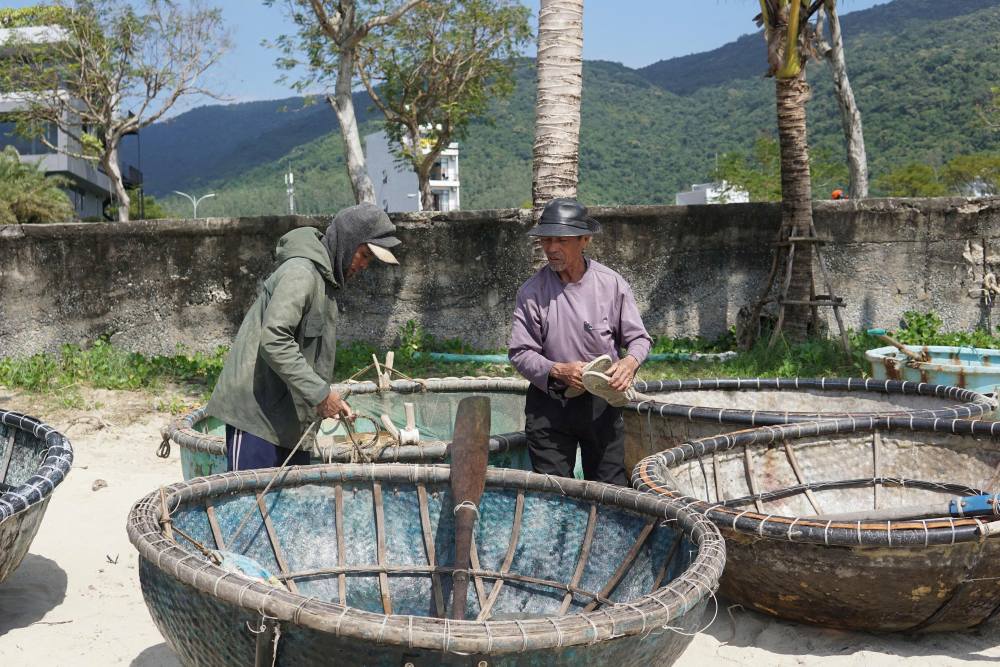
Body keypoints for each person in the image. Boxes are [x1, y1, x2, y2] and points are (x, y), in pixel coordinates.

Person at [206, 203, 401, 471]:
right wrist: (321, 395)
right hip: (255, 418)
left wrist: (323, 401)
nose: (365, 265)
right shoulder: (302, 273)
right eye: (364, 255)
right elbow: (275, 340)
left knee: (288, 509)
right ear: (348, 241)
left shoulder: (326, 283)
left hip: (287, 423)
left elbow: (305, 359)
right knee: (248, 506)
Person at [508, 198, 651, 485]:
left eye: (561, 240)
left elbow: (638, 339)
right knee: (554, 494)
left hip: (602, 402)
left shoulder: (611, 285)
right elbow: (521, 352)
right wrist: (558, 370)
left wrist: (629, 363)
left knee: (611, 490)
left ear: (584, 240)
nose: (551, 248)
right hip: (550, 404)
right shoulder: (532, 292)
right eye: (546, 240)